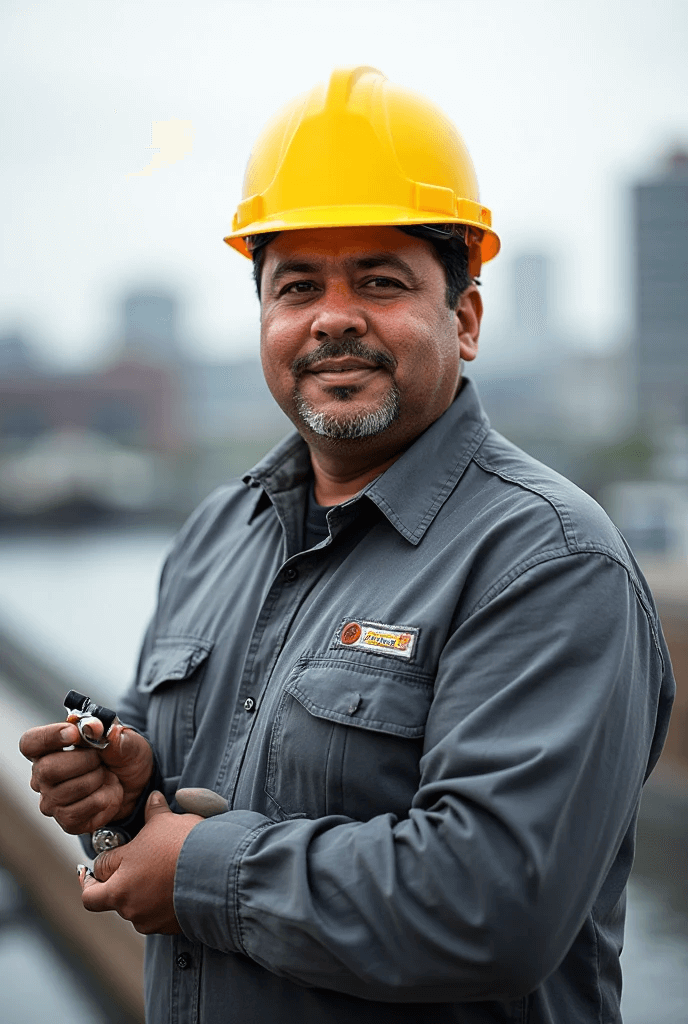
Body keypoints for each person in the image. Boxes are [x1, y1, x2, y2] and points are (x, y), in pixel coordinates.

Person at [20, 66, 674, 1024]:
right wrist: (124, 792)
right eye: (297, 285)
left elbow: (492, 909)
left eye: (380, 280)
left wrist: (203, 870)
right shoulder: (215, 536)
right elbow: (201, 796)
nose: (332, 316)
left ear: (466, 318)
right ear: (265, 321)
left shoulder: (548, 561)